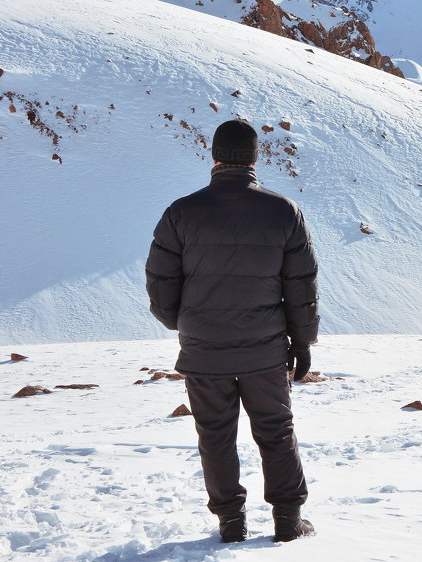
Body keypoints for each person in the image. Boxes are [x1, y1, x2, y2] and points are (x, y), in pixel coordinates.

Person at [145, 118, 320, 543]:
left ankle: (230, 522)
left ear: (215, 156)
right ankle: (287, 520)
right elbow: (301, 285)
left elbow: (160, 280)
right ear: (255, 158)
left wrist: (182, 323)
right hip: (265, 352)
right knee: (276, 431)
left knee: (215, 437)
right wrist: (303, 342)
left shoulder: (181, 211)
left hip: (205, 351)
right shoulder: (283, 211)